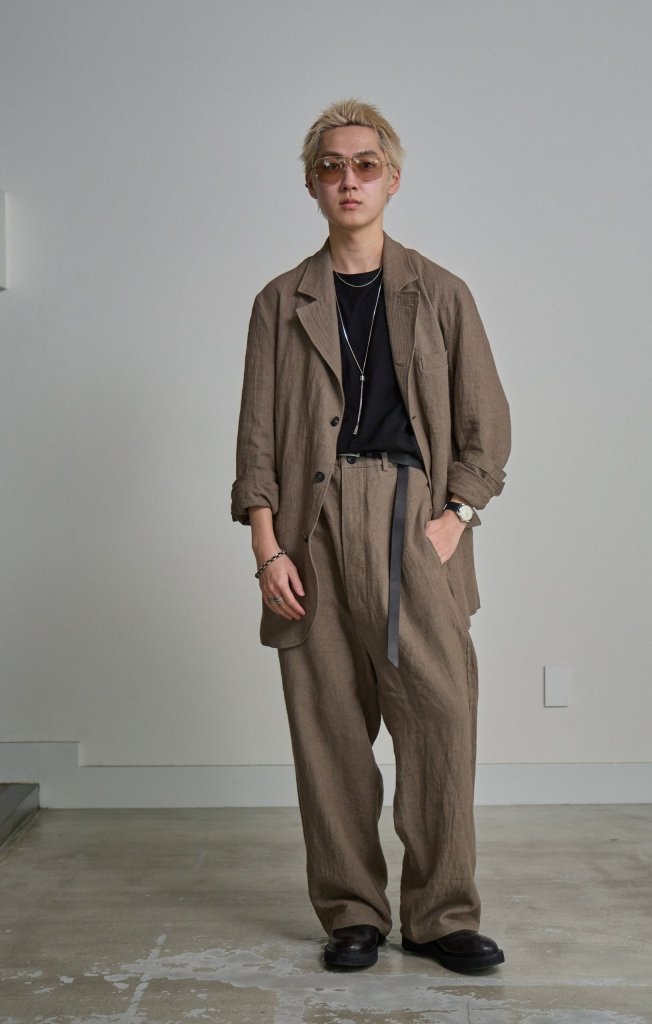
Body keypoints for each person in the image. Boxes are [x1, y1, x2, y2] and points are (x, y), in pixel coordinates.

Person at [231, 99, 511, 972]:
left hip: (410, 518)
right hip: (310, 529)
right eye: (330, 166)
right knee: (328, 729)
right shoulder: (280, 303)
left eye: (364, 165)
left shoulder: (442, 293)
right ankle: (352, 912)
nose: (347, 180)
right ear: (311, 183)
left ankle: (441, 915)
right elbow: (257, 441)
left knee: (440, 720)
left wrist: (454, 519)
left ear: (392, 178)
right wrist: (268, 548)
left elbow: (487, 427)